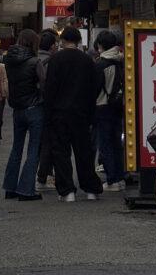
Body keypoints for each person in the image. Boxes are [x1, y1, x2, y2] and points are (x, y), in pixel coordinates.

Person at [44, 26, 103, 202]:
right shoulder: (87, 60)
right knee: (84, 151)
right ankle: (91, 189)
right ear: (78, 41)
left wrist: (48, 113)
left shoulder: (55, 59)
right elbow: (94, 87)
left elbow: (50, 88)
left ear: (62, 41)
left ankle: (67, 191)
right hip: (82, 113)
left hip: (59, 113)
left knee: (61, 152)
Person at [2, 29, 45, 201]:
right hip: (34, 108)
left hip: (17, 110)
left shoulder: (8, 61)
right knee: (33, 149)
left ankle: (10, 188)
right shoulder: (35, 62)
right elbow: (44, 84)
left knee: (16, 149)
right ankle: (26, 190)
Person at [94, 30, 126, 190]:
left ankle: (112, 179)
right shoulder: (122, 61)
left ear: (100, 45)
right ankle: (120, 177)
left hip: (102, 106)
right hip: (119, 105)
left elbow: (94, 88)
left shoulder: (101, 64)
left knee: (105, 144)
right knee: (117, 143)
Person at [35, 29, 59, 191]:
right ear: (52, 46)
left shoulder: (31, 59)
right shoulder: (54, 61)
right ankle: (44, 176)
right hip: (49, 106)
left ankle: (36, 176)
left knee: (36, 143)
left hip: (31, 105)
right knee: (49, 142)